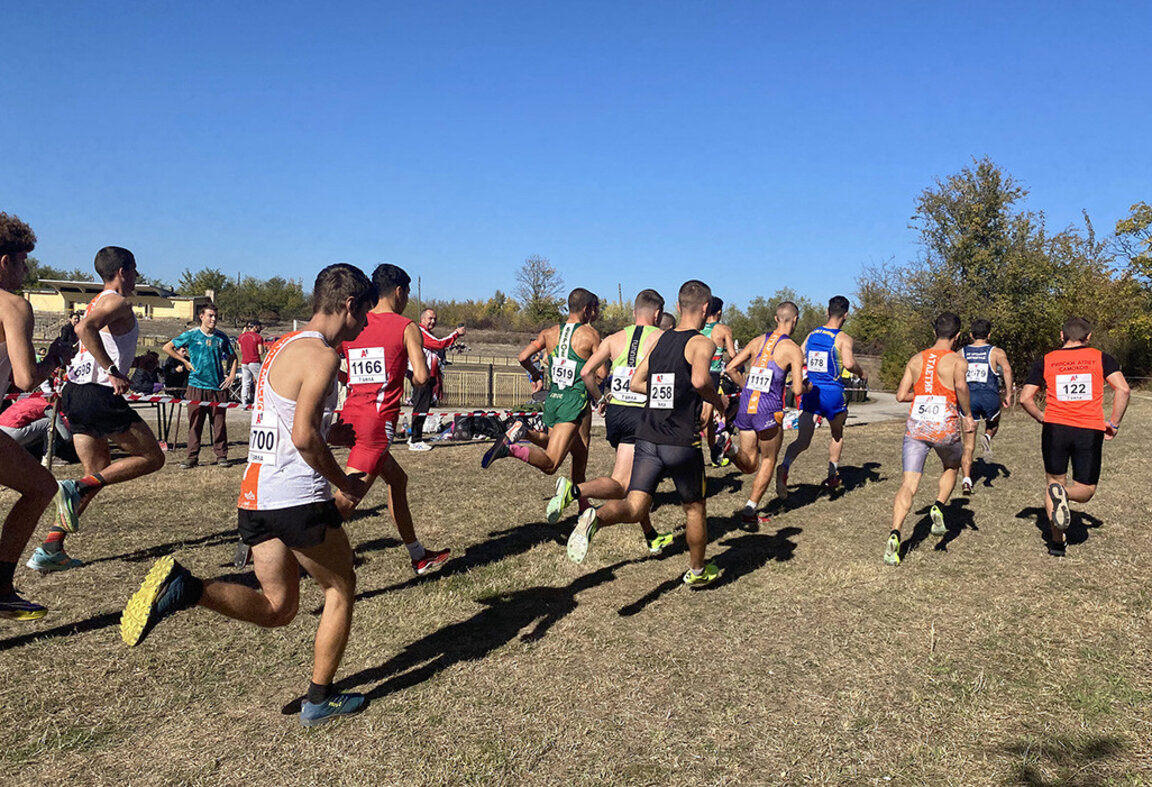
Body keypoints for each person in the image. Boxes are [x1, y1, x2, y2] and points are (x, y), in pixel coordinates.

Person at [121, 263, 378, 727]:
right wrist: (346, 483)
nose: (363, 327)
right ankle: (319, 700)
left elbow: (287, 419)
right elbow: (302, 437)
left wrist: (330, 431)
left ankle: (187, 588)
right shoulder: (322, 356)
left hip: (256, 496)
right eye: (363, 315)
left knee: (279, 608)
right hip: (297, 497)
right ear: (348, 305)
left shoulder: (282, 347)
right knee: (340, 587)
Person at [566, 280, 727, 586]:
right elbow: (700, 381)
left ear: (678, 306)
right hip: (681, 440)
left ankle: (595, 517)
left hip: (648, 436)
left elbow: (636, 383)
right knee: (695, 508)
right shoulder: (702, 343)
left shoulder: (659, 341)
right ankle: (697, 571)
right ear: (706, 308)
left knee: (635, 505)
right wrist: (719, 402)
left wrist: (665, 392)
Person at [31, 246, 167, 573]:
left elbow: (95, 344)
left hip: (76, 393)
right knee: (153, 458)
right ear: (122, 271)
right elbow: (84, 330)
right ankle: (76, 488)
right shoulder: (116, 302)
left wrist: (134, 363)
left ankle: (51, 546)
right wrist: (113, 371)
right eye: (134, 270)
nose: (137, 276)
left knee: (97, 472)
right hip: (97, 394)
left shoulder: (97, 302)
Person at [333, 264, 450, 575]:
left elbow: (331, 356)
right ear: (399, 292)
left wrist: (350, 378)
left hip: (350, 416)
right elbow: (422, 377)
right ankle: (286, 546)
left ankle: (418, 555)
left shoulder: (356, 322)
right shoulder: (406, 326)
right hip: (377, 422)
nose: (406, 299)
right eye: (407, 294)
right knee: (346, 502)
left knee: (398, 480)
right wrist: (404, 370)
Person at [547, 289, 674, 554]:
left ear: (634, 312)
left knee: (629, 481)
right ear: (657, 314)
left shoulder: (614, 338)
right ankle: (575, 492)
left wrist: (600, 398)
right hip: (643, 415)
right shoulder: (663, 338)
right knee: (625, 485)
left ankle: (651, 535)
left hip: (617, 414)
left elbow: (586, 372)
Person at [0, 213, 72, 618]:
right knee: (41, 487)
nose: (26, 269)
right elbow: (26, 378)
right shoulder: (13, 306)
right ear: (5, 261)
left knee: (41, 485)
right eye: (24, 260)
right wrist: (56, 358)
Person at [1018, 317, 1129, 558]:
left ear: (1062, 335)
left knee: (1053, 483)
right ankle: (1065, 494)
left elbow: (1025, 398)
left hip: (1055, 428)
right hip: (1088, 429)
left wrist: (1041, 417)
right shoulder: (1101, 357)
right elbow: (1123, 389)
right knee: (1086, 490)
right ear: (1088, 337)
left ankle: (1057, 542)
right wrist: (1114, 423)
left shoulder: (1046, 360)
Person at [481, 289, 601, 494]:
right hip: (574, 400)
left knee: (578, 450)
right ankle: (510, 449)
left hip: (553, 398)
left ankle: (581, 504)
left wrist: (535, 373)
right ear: (587, 309)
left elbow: (522, 357)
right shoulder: (590, 335)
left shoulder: (549, 333)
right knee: (551, 464)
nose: (596, 314)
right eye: (595, 309)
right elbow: (602, 372)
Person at [883, 313, 975, 567]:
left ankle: (895, 532)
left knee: (908, 484)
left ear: (934, 331)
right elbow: (961, 388)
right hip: (944, 426)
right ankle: (938, 505)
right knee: (952, 466)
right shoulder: (957, 361)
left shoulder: (915, 359)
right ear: (957, 336)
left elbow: (901, 395)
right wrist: (967, 414)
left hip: (917, 427)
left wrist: (924, 395)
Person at [723, 301, 808, 527]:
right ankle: (750, 508)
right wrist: (808, 387)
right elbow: (797, 389)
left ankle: (730, 449)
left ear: (776, 318)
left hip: (746, 406)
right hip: (768, 409)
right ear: (795, 320)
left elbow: (730, 368)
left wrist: (746, 387)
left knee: (749, 464)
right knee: (768, 459)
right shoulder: (793, 349)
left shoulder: (757, 341)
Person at [777, 295, 867, 497]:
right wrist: (862, 373)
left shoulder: (813, 334)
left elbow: (799, 355)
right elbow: (849, 363)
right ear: (846, 315)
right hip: (833, 393)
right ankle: (832, 475)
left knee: (803, 440)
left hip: (812, 391)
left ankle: (785, 466)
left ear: (827, 312)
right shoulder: (843, 338)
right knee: (837, 433)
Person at [163, 303, 239, 468]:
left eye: (216, 316)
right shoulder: (192, 335)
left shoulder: (221, 337)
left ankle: (221, 456)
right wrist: (184, 361)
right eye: (210, 315)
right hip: (196, 385)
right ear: (201, 316)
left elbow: (233, 357)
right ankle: (192, 456)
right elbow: (167, 347)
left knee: (219, 424)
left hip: (218, 387)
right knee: (195, 423)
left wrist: (232, 375)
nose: (213, 319)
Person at [959, 319, 1014, 493]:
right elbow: (1007, 369)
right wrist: (1008, 393)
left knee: (968, 444)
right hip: (990, 397)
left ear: (971, 335)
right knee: (994, 422)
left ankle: (967, 480)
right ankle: (988, 437)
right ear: (989, 335)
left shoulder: (961, 352)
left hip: (969, 399)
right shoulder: (996, 352)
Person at [407, 309, 465, 451]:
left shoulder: (427, 333)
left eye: (435, 319)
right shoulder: (420, 332)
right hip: (420, 374)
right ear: (422, 319)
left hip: (427, 374)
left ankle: (415, 436)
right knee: (421, 406)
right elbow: (438, 344)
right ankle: (415, 440)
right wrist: (456, 334)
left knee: (423, 405)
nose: (433, 321)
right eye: (430, 318)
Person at [700, 296, 736, 465]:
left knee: (706, 418)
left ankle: (714, 451)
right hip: (713, 375)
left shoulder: (697, 328)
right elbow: (733, 355)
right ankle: (713, 450)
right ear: (719, 312)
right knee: (709, 416)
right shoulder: (723, 330)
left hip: (696, 372)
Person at [237, 320, 266, 406]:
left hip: (244, 362)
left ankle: (244, 402)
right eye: (259, 327)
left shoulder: (241, 337)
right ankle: (257, 402)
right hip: (254, 361)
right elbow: (260, 352)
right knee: (260, 382)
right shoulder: (258, 337)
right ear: (255, 327)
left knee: (245, 383)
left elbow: (241, 350)